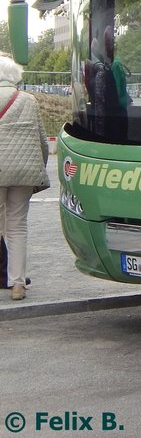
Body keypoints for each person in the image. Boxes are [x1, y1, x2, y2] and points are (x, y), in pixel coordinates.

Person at [0, 55, 50, 301]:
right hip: (23, 173)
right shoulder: (28, 101)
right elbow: (41, 140)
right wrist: (39, 168)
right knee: (17, 226)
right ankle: (18, 283)